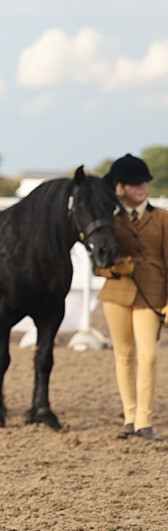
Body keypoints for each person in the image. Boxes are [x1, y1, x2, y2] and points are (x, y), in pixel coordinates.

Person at [95, 153, 168, 441]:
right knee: (123, 355)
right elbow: (99, 264)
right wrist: (113, 270)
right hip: (118, 293)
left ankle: (144, 421)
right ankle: (129, 416)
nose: (142, 189)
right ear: (119, 188)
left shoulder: (162, 218)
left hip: (152, 293)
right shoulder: (109, 222)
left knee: (148, 356)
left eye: (143, 184)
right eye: (135, 185)